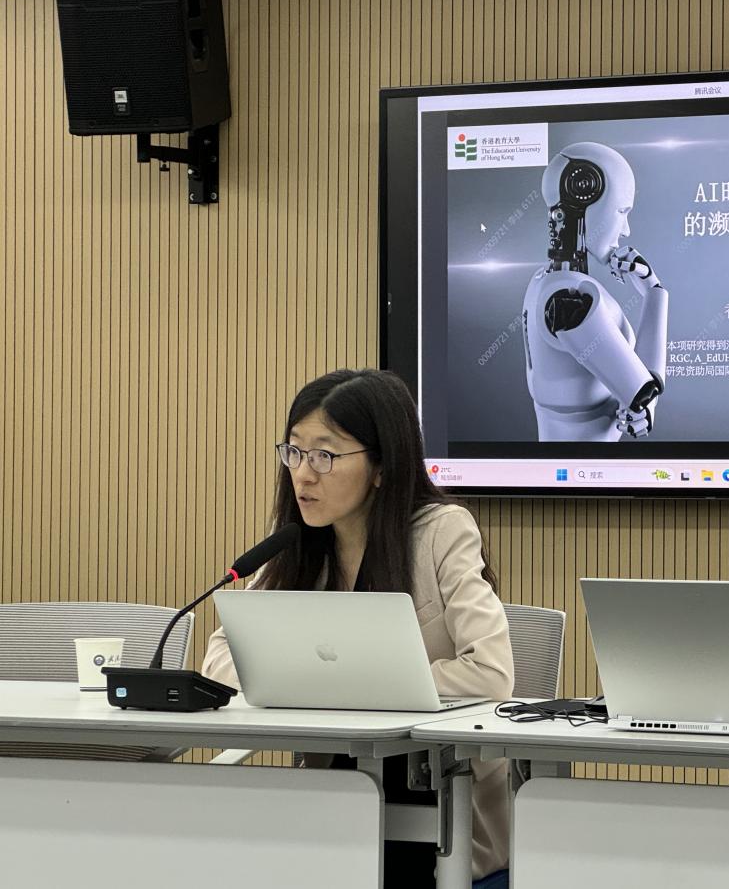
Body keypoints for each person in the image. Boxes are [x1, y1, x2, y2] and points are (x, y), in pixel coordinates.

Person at [202, 368, 513, 888]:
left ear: (381, 467)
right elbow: (221, 659)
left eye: (324, 456)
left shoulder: (441, 532)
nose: (303, 474)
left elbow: (491, 673)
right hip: (332, 817)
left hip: (441, 813)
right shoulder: (296, 542)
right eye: (294, 451)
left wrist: (351, 685)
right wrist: (315, 682)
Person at [522, 141, 669, 441]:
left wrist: (653, 292)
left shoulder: (544, 281)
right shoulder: (568, 299)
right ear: (583, 193)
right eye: (621, 211)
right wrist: (654, 291)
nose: (626, 229)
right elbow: (642, 395)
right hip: (582, 467)